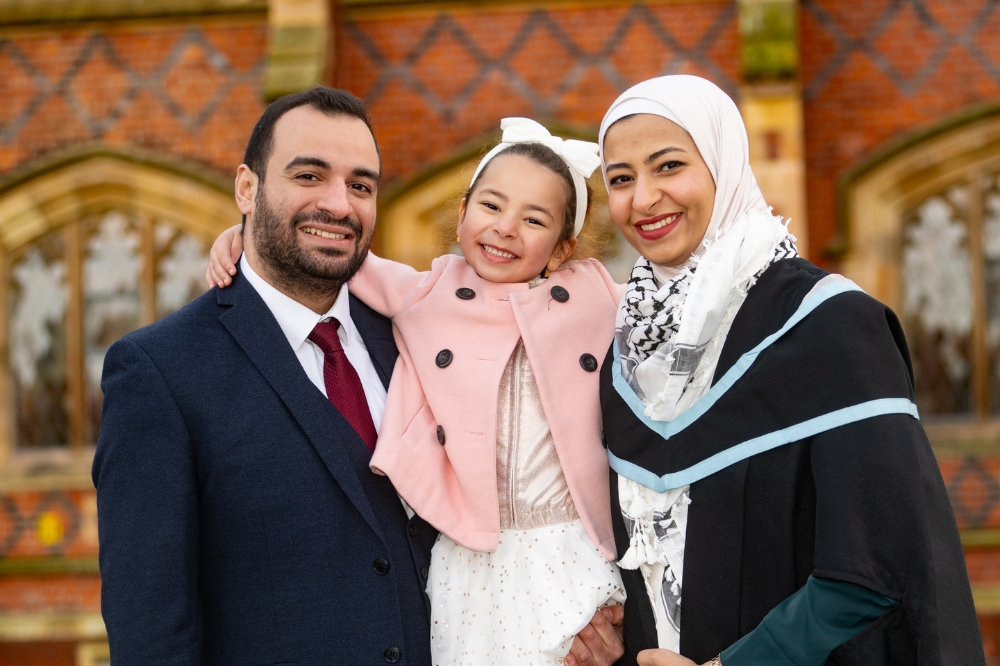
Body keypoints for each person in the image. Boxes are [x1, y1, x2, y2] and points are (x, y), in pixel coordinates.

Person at [95, 88, 622, 666]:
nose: (339, 205)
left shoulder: (417, 327)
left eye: (361, 186)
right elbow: (151, 632)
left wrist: (581, 623)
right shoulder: (160, 372)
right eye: (309, 175)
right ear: (247, 189)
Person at [596, 74, 985, 665]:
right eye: (620, 178)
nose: (643, 198)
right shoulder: (628, 346)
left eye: (669, 166)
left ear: (724, 165)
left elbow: (878, 562)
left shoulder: (829, 325)